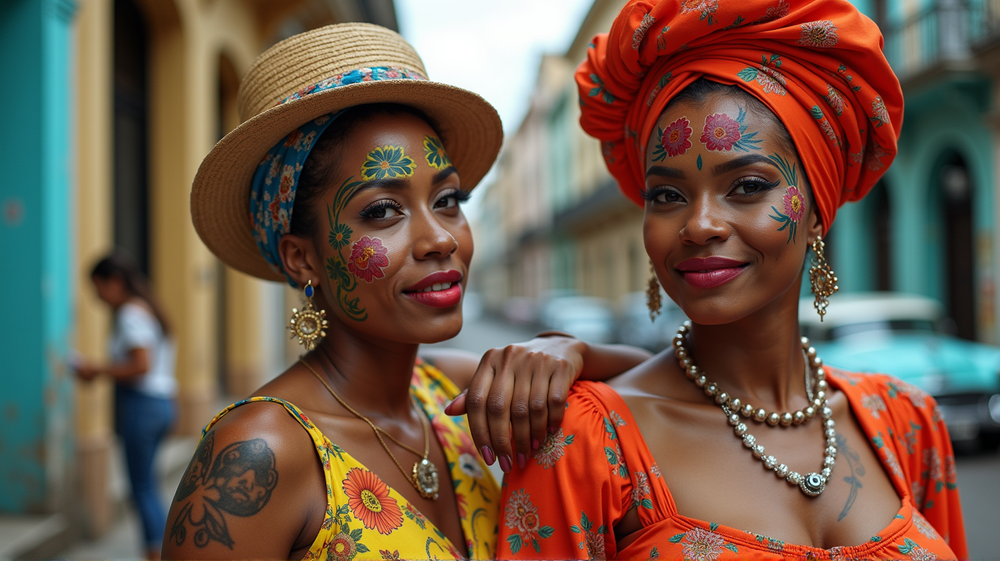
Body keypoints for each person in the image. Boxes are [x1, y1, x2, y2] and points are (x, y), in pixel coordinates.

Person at [499, 1, 968, 559]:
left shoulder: (907, 422)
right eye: (667, 195)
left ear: (817, 208)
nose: (699, 226)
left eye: (747, 185)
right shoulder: (583, 441)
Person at [164, 23, 650, 560]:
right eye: (382, 211)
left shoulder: (451, 393)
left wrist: (568, 350)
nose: (440, 238)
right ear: (302, 257)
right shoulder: (260, 454)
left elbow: (664, 385)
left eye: (447, 199)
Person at [75, 251, 177, 561]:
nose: (97, 297)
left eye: (98, 287)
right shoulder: (147, 309)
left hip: (143, 407)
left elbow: (141, 365)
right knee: (149, 487)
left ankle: (156, 554)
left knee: (142, 490)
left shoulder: (130, 315)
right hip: (162, 404)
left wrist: (97, 370)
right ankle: (162, 550)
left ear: (115, 282)